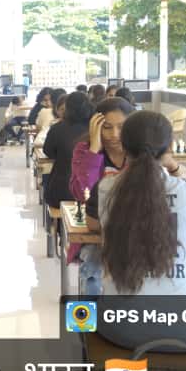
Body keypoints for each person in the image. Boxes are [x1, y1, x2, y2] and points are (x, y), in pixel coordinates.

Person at [86, 110, 186, 371]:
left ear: (123, 146)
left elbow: (92, 225)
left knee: (85, 314)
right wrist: (174, 167)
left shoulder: (106, 188)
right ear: (169, 146)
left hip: (122, 327)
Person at [69, 97, 140, 295]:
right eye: (107, 127)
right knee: (93, 265)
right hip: (97, 232)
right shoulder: (84, 151)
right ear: (96, 127)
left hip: (134, 232)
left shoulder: (139, 152)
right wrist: (94, 150)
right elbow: (82, 192)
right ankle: (89, 315)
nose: (114, 135)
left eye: (121, 127)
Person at [43, 92, 94, 211]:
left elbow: (48, 151)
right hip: (90, 191)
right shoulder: (93, 128)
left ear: (67, 109)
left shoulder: (57, 128)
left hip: (61, 190)